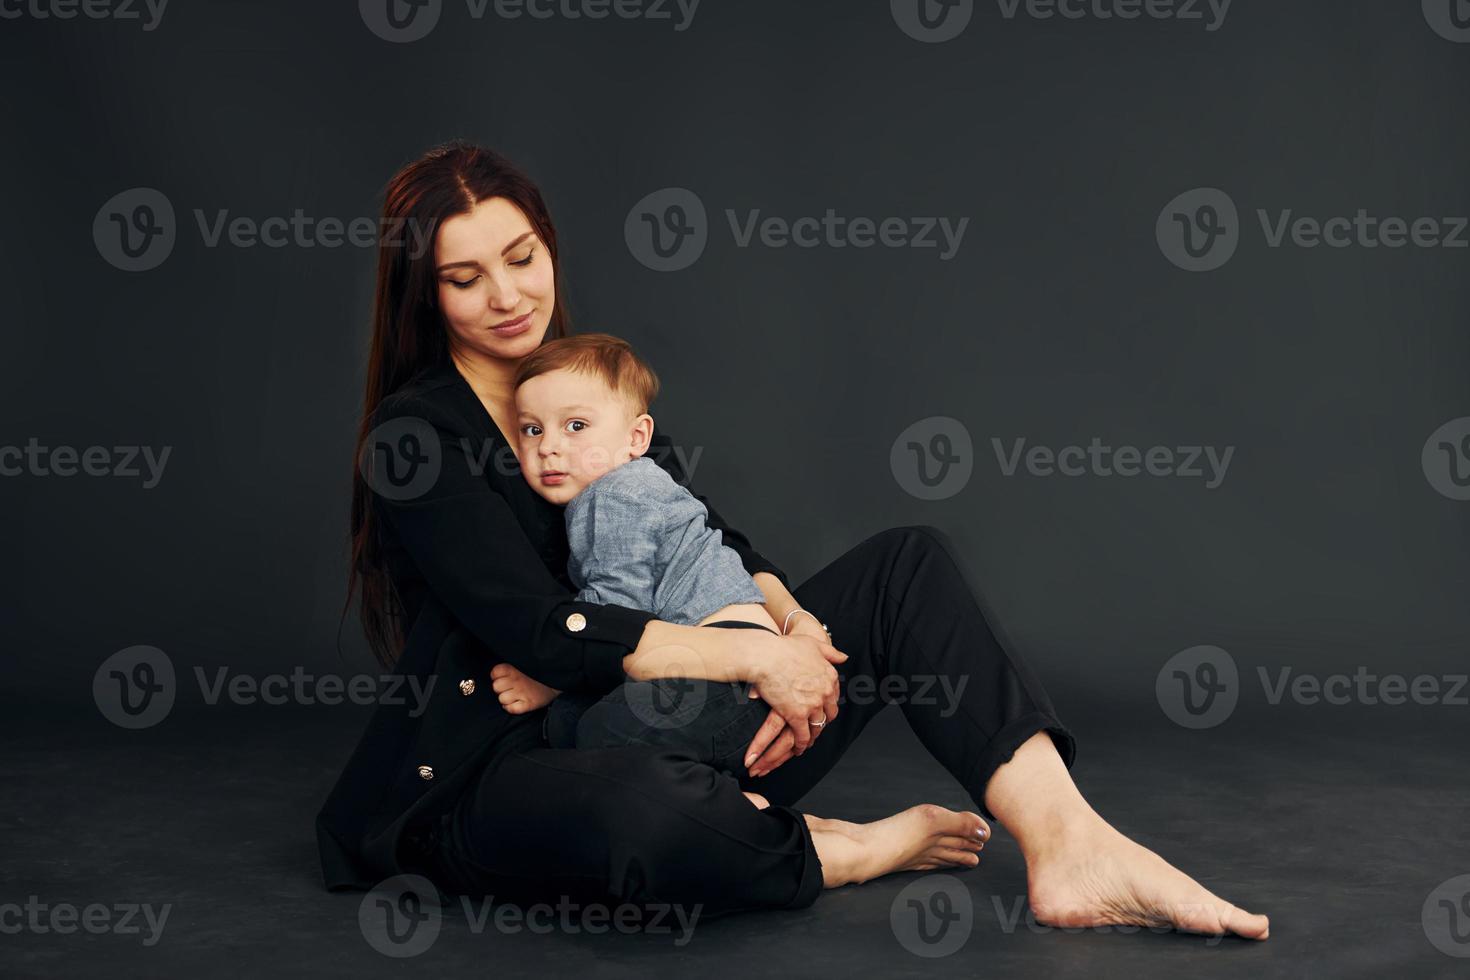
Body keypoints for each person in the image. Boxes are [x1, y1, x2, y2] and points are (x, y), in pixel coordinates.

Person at [317, 139, 1270, 938]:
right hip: (498, 770)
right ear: (422, 291)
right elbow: (532, 626)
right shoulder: (420, 432)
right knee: (647, 817)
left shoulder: (581, 390)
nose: (506, 295)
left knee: (905, 567)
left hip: (671, 711)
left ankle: (1069, 843)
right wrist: (754, 663)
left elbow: (703, 533)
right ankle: (848, 846)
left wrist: (797, 629)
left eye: (522, 256)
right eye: (464, 276)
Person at [500, 331, 800, 775]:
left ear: (637, 437)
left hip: (730, 675)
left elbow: (619, 608)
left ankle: (728, 811)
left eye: (576, 426)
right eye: (532, 429)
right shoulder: (641, 483)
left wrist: (548, 678)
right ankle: (716, 799)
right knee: (569, 723)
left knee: (600, 730)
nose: (548, 447)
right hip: (715, 663)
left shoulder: (616, 495)